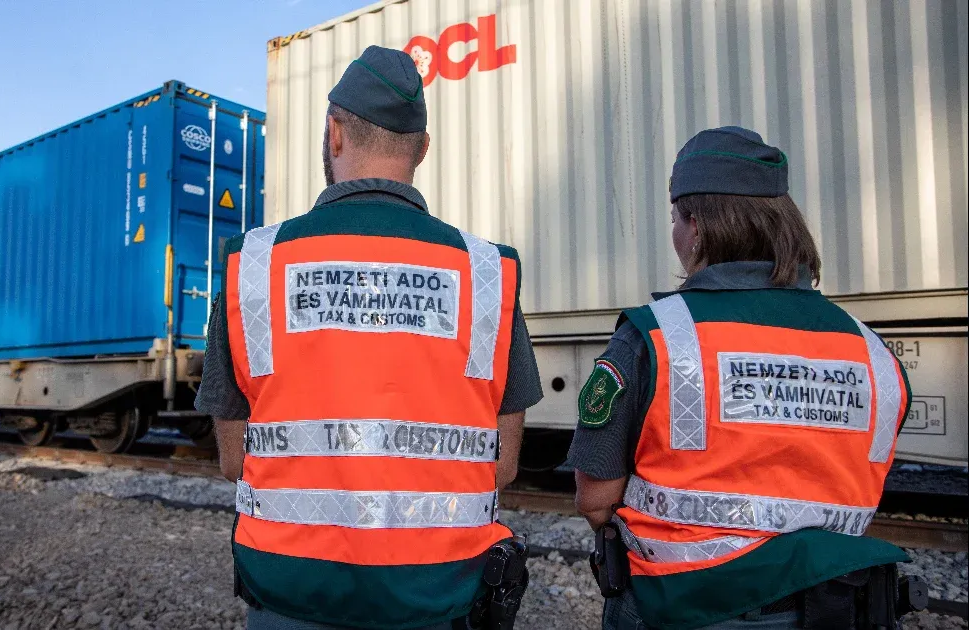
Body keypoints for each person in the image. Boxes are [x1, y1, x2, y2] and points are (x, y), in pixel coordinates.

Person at [195, 45, 544, 630]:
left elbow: (235, 460)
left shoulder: (252, 265)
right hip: (440, 591)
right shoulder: (485, 273)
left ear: (334, 134)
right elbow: (502, 464)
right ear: (422, 149)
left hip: (291, 591)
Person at [567, 127, 914, 629]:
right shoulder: (874, 354)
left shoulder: (657, 337)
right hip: (836, 606)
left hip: (681, 606)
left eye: (673, 219)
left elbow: (596, 499)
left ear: (697, 227)